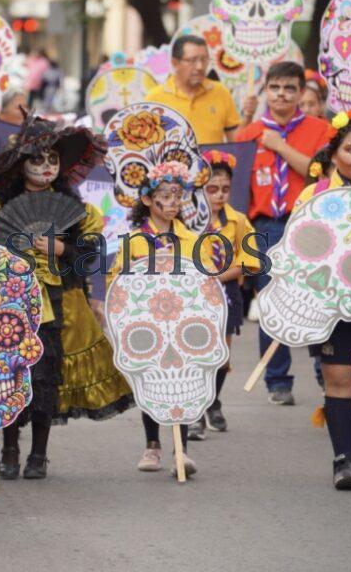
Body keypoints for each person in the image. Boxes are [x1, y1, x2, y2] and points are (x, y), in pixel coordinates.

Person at [0, 115, 133, 480]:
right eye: (38, 159)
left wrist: (62, 247)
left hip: (55, 303)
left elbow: (90, 254)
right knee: (9, 374)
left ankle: (39, 453)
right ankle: (8, 447)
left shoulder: (76, 209)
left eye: (53, 160)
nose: (47, 166)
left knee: (44, 375)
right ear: (22, 164)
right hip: (7, 302)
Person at [234, 61, 334, 406]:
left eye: (290, 88)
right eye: (275, 88)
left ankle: (326, 371)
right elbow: (238, 191)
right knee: (271, 301)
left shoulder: (319, 129)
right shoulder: (248, 134)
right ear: (266, 90)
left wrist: (278, 145)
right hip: (264, 225)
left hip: (306, 221)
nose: (282, 94)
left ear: (299, 92)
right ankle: (278, 380)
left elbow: (317, 171)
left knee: (316, 298)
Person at [109, 161, 212, 477]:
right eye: (165, 196)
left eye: (178, 196)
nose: (172, 203)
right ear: (147, 200)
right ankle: (152, 445)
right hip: (146, 323)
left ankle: (182, 451)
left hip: (182, 323)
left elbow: (207, 278)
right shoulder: (135, 241)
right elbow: (115, 280)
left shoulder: (191, 240)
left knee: (183, 384)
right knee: (152, 382)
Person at [290, 113, 351, 489]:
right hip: (331, 302)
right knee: (338, 377)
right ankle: (343, 458)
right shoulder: (312, 197)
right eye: (350, 149)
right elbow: (298, 252)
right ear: (334, 155)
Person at [186, 150, 259, 440]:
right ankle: (195, 411)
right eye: (212, 189)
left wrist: (219, 276)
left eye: (225, 189)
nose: (219, 195)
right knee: (195, 352)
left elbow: (250, 258)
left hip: (226, 290)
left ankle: (213, 402)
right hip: (193, 292)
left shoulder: (238, 220)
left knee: (219, 354)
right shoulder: (187, 221)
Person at [145, 35, 243, 145]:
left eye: (204, 60)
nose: (200, 67)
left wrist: (248, 116)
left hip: (213, 162)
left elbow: (236, 143)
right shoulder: (155, 98)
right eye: (192, 60)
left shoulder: (221, 92)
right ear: (175, 63)